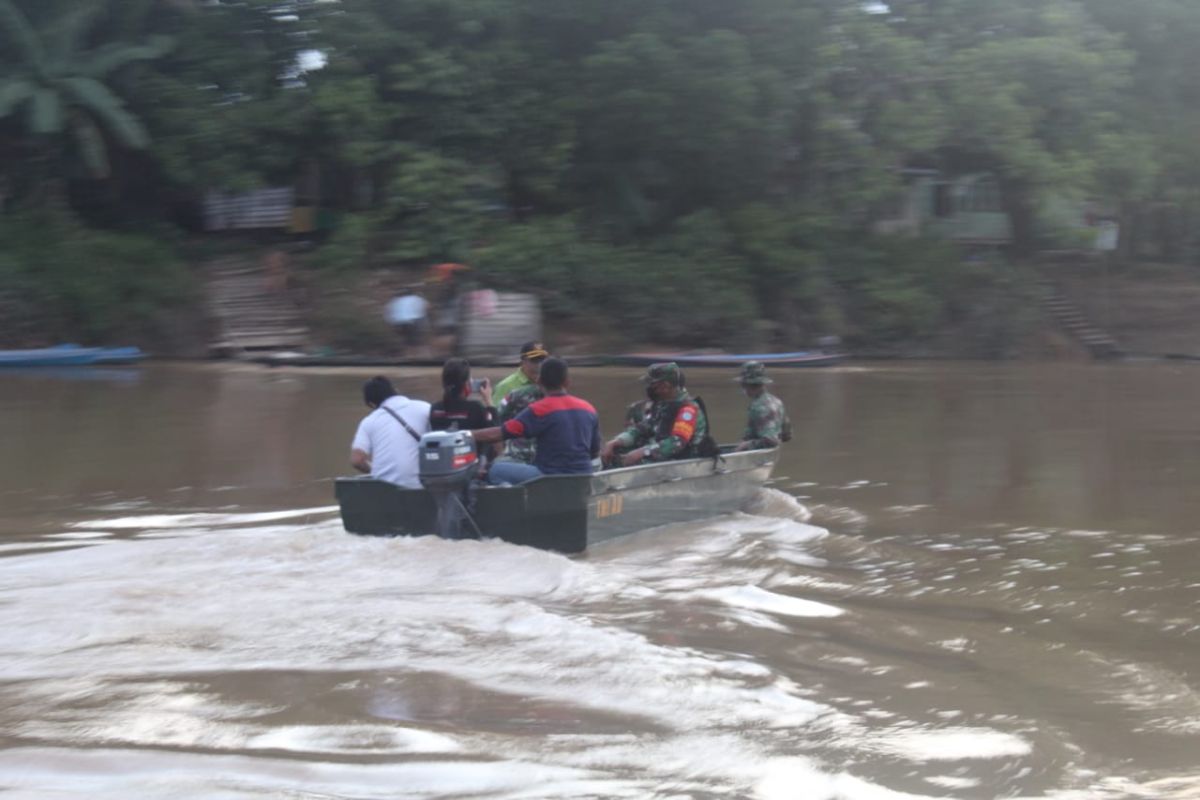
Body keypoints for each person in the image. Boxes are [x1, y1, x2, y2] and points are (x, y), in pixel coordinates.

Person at [474, 357, 601, 485]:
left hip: (548, 478)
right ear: (567, 382)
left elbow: (500, 433)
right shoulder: (588, 408)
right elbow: (594, 451)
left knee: (495, 469)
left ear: (539, 382)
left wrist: (467, 434)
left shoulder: (539, 409)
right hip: (583, 476)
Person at [600, 362, 709, 468]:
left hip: (681, 460)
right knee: (616, 453)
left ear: (666, 386)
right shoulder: (662, 405)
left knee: (635, 461)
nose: (650, 389)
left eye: (653, 386)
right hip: (662, 455)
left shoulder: (687, 409)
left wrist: (643, 452)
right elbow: (642, 429)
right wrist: (616, 442)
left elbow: (677, 442)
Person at [350, 376, 432, 488]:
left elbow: (357, 460)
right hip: (420, 489)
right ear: (395, 391)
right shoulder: (425, 408)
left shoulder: (368, 421)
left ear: (371, 404)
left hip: (384, 493)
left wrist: (374, 471)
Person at [430, 358, 498, 461]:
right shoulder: (475, 408)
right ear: (467, 384)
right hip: (471, 466)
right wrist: (488, 400)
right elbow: (495, 433)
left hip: (443, 462)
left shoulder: (435, 409)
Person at [733, 361, 792, 451]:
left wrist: (746, 445)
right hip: (772, 456)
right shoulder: (777, 402)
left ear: (745, 384)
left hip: (757, 458)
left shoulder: (759, 407)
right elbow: (787, 435)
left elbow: (771, 441)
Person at [495, 381, 544, 465]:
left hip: (518, 456)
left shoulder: (516, 394)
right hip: (523, 456)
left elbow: (497, 415)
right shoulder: (566, 403)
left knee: (495, 469)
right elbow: (498, 415)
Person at [385, 287, 428, 355]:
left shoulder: (394, 300)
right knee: (415, 342)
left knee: (405, 341)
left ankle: (408, 354)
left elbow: (388, 314)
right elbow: (427, 307)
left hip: (399, 324)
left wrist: (392, 325)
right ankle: (416, 355)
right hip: (413, 322)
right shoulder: (416, 298)